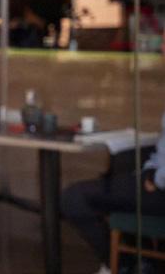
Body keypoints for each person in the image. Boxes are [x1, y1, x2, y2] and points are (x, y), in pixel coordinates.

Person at [61, 112, 165, 274]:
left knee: (74, 197)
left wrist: (155, 178)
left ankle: (121, 264)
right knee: (120, 168)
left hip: (159, 186)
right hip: (153, 177)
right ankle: (139, 263)